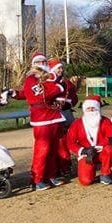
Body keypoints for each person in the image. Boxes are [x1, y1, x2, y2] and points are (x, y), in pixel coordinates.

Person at [23, 60, 67, 190]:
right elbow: (41, 95)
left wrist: (59, 90)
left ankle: (50, 175)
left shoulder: (48, 78)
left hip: (53, 116)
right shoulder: (31, 79)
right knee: (42, 150)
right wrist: (58, 88)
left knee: (53, 149)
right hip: (41, 119)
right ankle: (37, 179)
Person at [65, 95, 112, 186]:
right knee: (86, 181)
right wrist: (82, 150)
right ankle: (90, 170)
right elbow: (70, 142)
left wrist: (98, 147)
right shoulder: (77, 123)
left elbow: (110, 136)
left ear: (98, 109)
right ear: (84, 109)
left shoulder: (105, 121)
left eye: (93, 108)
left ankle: (105, 173)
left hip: (101, 151)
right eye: (88, 108)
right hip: (86, 154)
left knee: (109, 149)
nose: (91, 110)